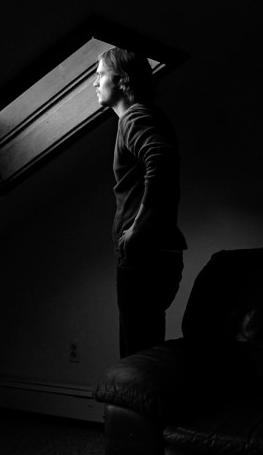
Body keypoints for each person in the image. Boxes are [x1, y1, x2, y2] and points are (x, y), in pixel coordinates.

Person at [93, 46, 187, 358]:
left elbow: (161, 165)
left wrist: (137, 229)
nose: (95, 83)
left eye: (100, 75)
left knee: (137, 358)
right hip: (153, 255)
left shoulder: (135, 117)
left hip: (145, 257)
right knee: (144, 351)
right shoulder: (140, 117)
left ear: (121, 80)